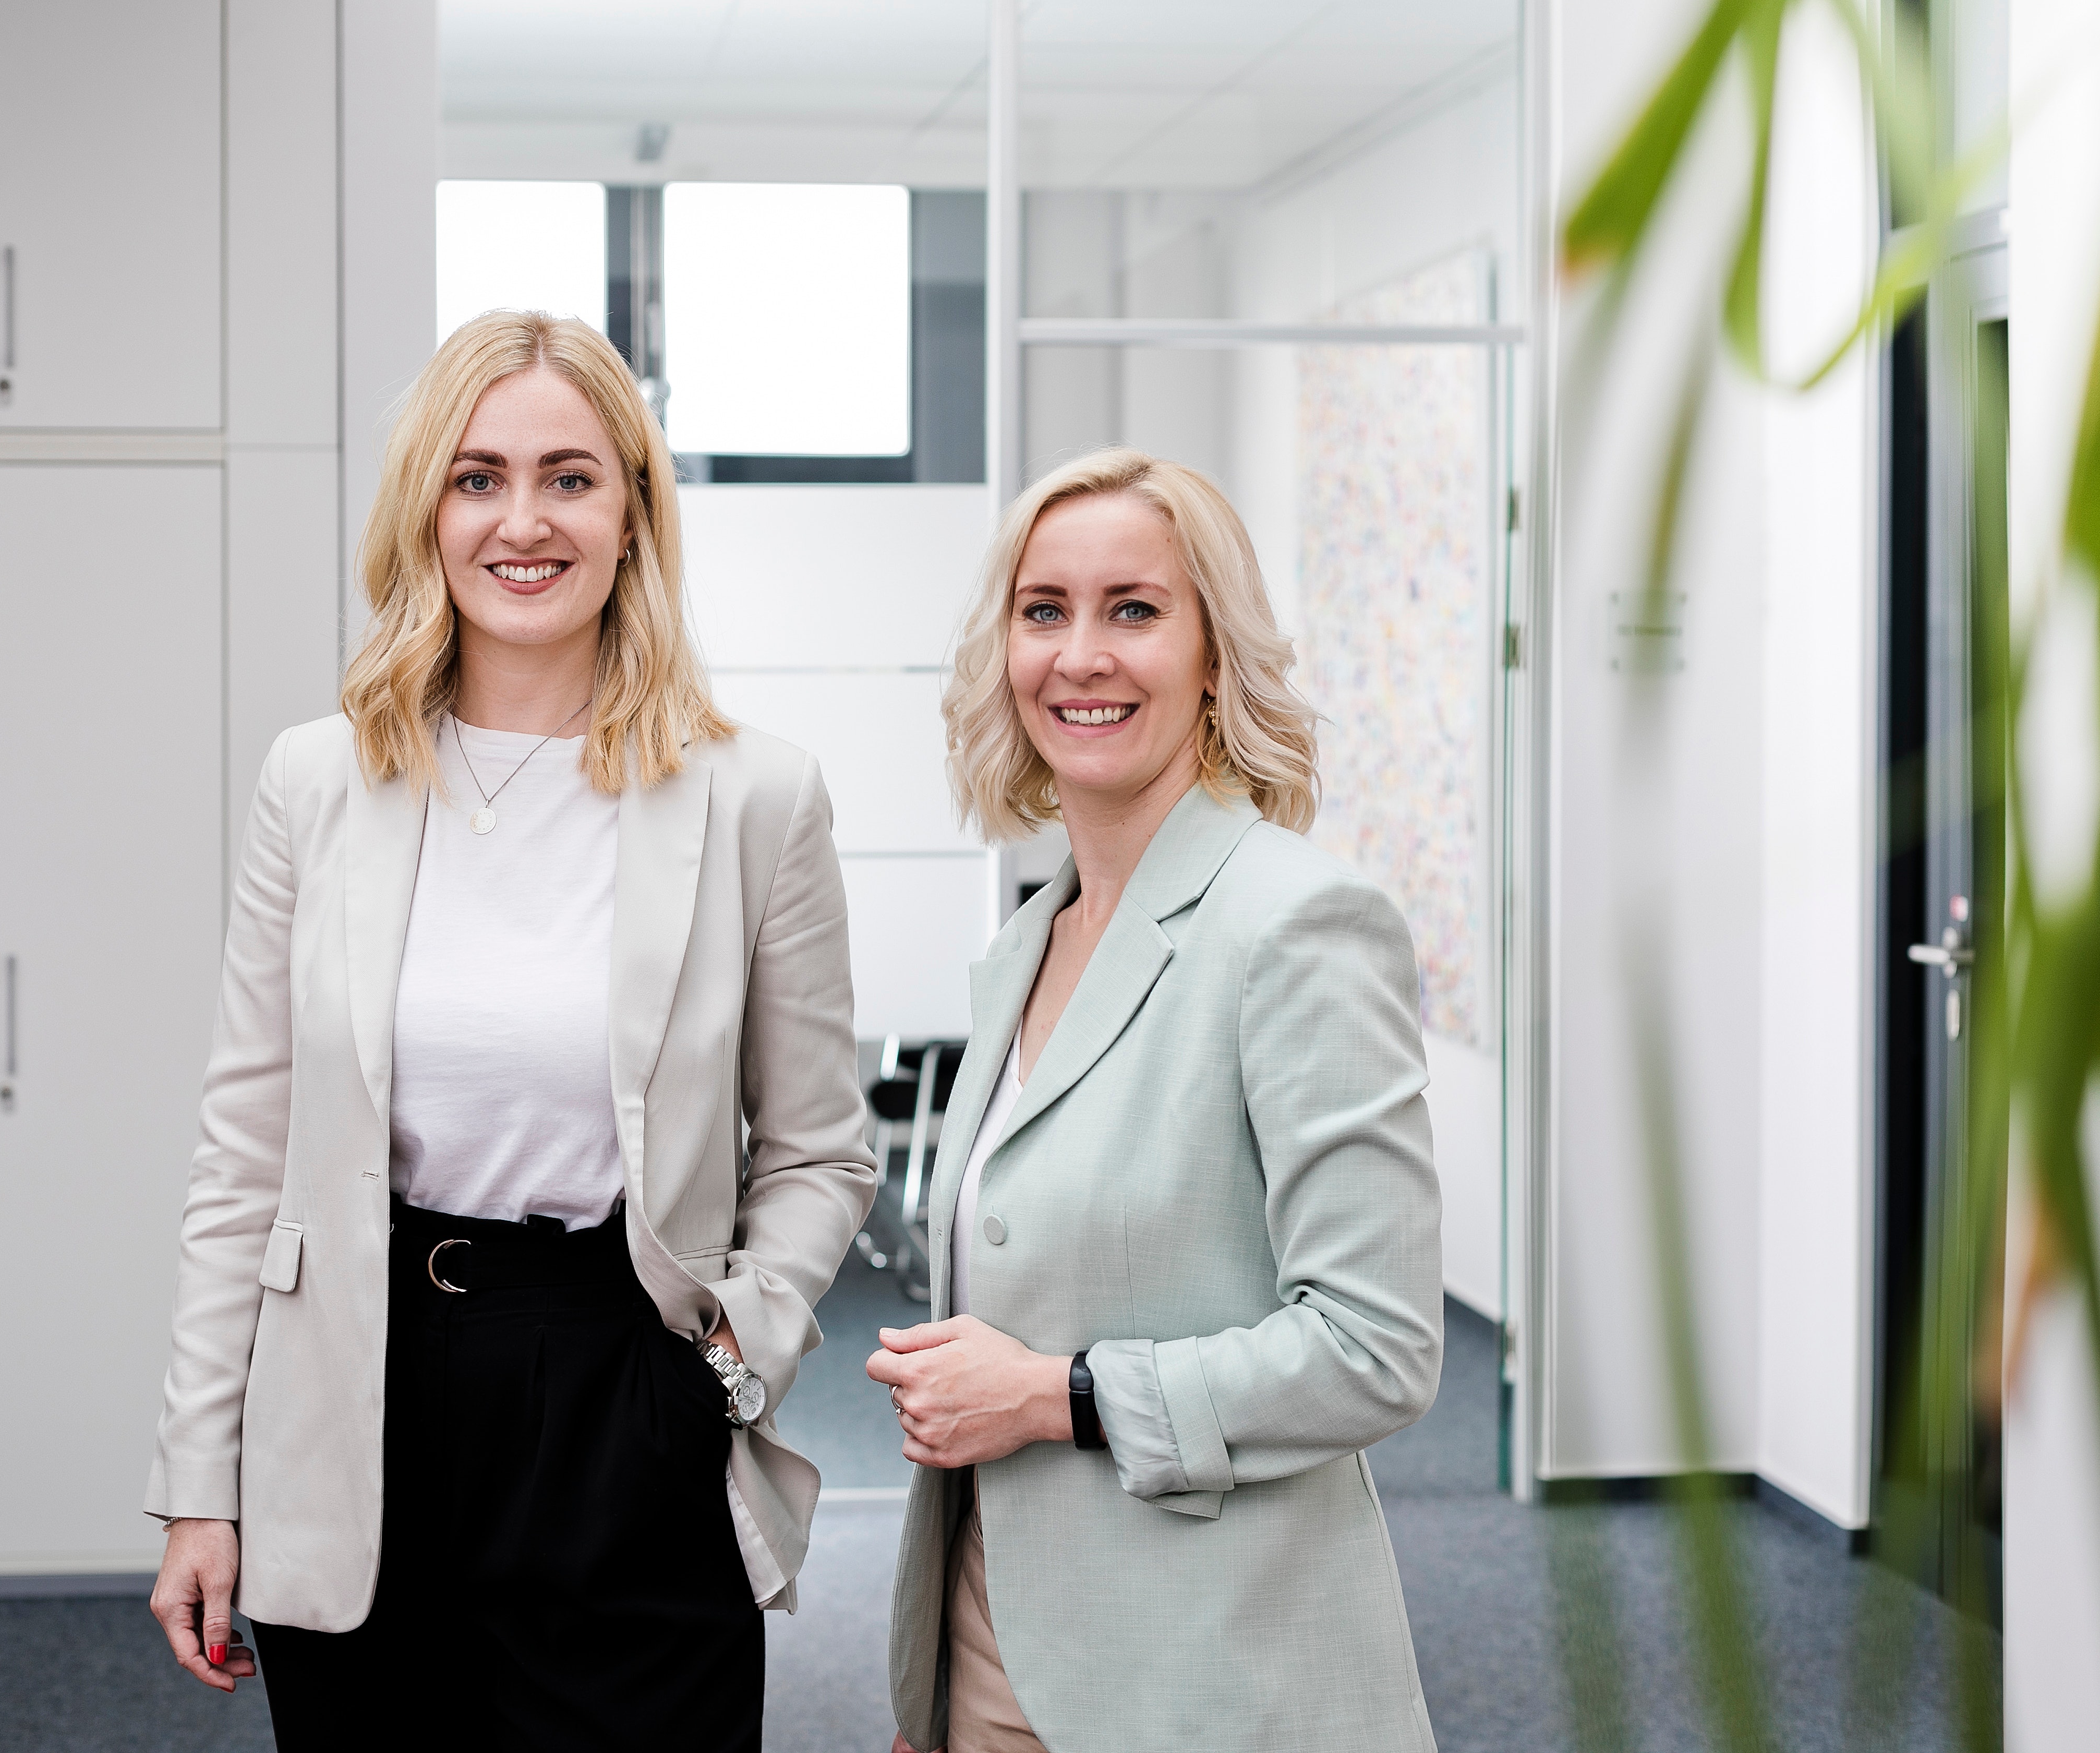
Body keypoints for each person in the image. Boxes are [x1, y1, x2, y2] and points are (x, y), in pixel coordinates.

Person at [142, 309, 875, 1750]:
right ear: (427, 508)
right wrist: (198, 1481)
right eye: (478, 477)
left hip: (621, 1386)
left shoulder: (756, 797)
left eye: (570, 477)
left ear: (632, 513)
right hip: (359, 1390)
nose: (521, 521)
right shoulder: (321, 782)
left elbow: (820, 1153)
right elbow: (245, 1159)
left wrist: (725, 1362)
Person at [869, 448, 1444, 1753]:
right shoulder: (1030, 941)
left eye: (1134, 609)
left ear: (1213, 656)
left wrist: (1054, 1396)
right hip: (994, 1648)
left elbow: (1378, 1346)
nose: (1082, 654)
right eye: (1043, 611)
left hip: (1208, 1673)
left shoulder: (1300, 924)